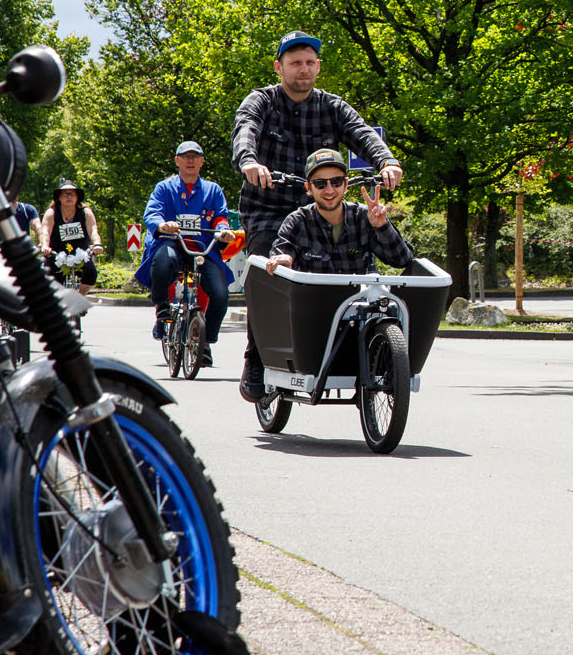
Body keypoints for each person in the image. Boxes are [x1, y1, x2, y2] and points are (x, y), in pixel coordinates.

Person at [233, 30, 403, 401]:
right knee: (265, 270)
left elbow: (362, 133)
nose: (303, 70)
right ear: (279, 67)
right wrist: (249, 161)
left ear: (318, 67)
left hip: (321, 206)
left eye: (310, 63)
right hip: (269, 206)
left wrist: (387, 160)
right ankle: (257, 355)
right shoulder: (261, 101)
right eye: (295, 63)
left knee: (348, 263)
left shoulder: (332, 106)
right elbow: (245, 130)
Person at [135, 140, 234, 367]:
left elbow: (220, 217)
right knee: (163, 260)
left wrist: (223, 231)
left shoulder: (213, 190)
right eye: (185, 156)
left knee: (220, 294)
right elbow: (152, 213)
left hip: (202, 248)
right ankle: (162, 307)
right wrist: (163, 225)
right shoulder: (164, 187)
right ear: (177, 161)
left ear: (201, 162)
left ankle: (205, 342)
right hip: (172, 242)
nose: (190, 160)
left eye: (195, 156)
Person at [266, 149, 413, 275]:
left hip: (357, 305)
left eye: (336, 182)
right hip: (310, 305)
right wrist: (283, 259)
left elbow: (402, 260)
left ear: (346, 184)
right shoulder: (297, 221)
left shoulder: (364, 216)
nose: (329, 190)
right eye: (320, 184)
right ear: (309, 188)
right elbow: (282, 254)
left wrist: (382, 227)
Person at [40, 179, 104, 295]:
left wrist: (97, 244)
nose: (69, 197)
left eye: (72, 194)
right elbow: (45, 232)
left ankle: (80, 298)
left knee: (91, 273)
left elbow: (93, 231)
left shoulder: (86, 212)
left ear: (77, 197)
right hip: (56, 253)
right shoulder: (52, 213)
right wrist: (45, 246)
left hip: (80, 253)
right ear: (59, 197)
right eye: (65, 194)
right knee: (48, 276)